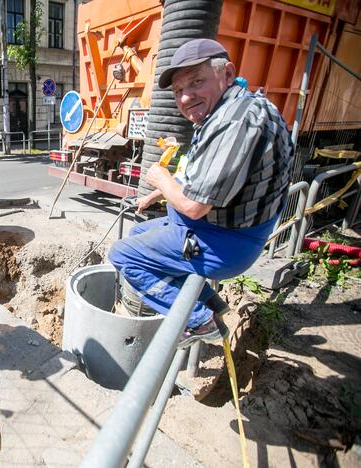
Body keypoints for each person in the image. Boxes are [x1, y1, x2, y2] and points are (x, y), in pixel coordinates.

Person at [108, 39, 293, 347]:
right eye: (179, 90)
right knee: (140, 231)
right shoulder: (233, 108)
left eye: (197, 82)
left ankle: (198, 321)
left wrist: (161, 180)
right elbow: (200, 176)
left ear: (227, 74)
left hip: (224, 242)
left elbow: (193, 205)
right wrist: (154, 197)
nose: (186, 96)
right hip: (221, 230)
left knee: (123, 255)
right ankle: (212, 303)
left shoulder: (235, 122)